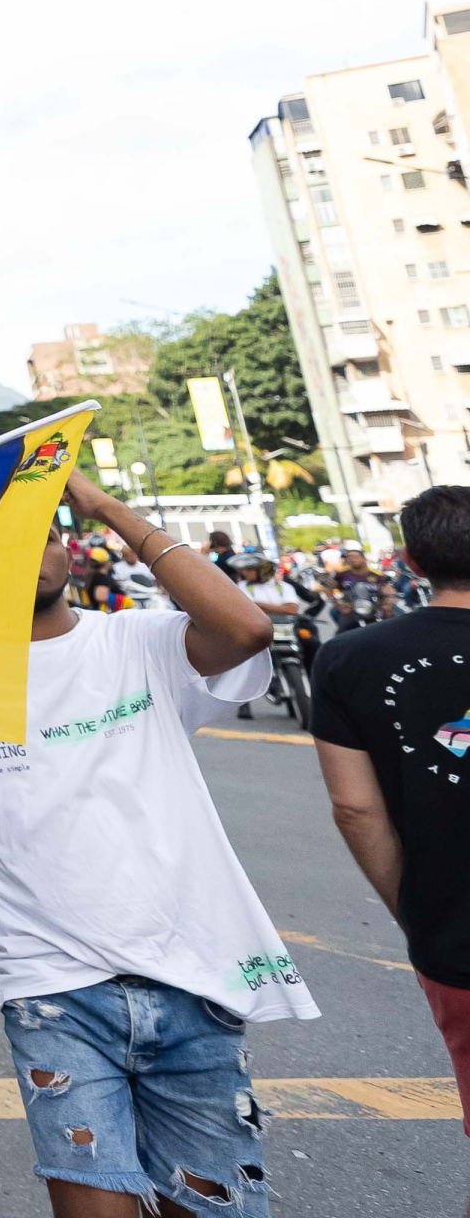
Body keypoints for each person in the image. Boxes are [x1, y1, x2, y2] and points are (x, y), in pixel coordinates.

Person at [0, 471, 308, 1216]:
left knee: (212, 1206)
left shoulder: (141, 642)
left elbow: (246, 630)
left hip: (193, 979)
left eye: (43, 536)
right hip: (52, 990)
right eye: (3, 545)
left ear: (71, 550)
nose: (29, 555)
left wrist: (111, 508)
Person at [310, 481, 470, 1195]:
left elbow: (357, 810)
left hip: (456, 932)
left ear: (407, 560)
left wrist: (416, 906)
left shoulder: (348, 659)